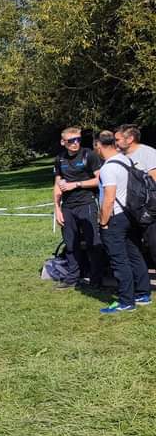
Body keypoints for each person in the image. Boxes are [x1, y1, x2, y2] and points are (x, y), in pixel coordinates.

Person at [95, 130, 151, 313]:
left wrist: (103, 222)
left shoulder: (108, 168)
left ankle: (126, 301)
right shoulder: (126, 160)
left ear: (98, 145)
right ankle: (143, 293)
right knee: (135, 255)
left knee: (119, 259)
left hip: (115, 218)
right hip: (131, 215)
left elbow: (109, 198)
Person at [51, 127, 104, 291]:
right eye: (71, 140)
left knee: (92, 242)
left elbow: (100, 180)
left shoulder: (89, 155)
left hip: (86, 203)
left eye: (78, 139)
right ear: (63, 142)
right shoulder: (59, 159)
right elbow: (57, 184)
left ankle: (96, 279)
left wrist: (76, 184)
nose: (75, 143)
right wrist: (57, 209)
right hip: (67, 206)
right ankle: (73, 277)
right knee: (70, 243)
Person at [114, 123, 156, 264]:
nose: (115, 143)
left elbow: (154, 181)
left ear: (130, 139)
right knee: (135, 249)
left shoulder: (148, 153)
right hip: (129, 211)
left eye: (118, 139)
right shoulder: (120, 157)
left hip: (148, 210)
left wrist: (150, 209)